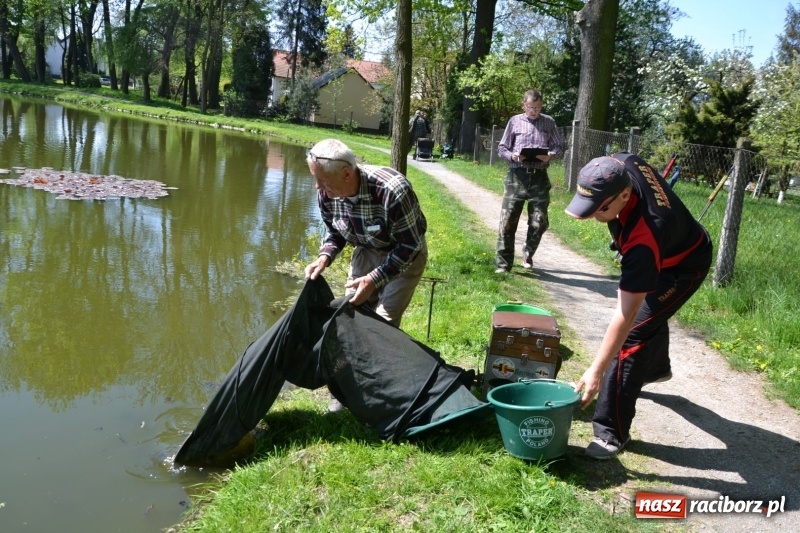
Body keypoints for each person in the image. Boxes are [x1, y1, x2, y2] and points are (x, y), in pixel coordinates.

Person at [565, 153, 713, 460]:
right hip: (667, 242)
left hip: (684, 266)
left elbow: (625, 314)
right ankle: (656, 369)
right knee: (648, 319)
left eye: (600, 209)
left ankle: (610, 432)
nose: (593, 216)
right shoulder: (618, 164)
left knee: (632, 336)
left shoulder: (644, 239)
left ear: (623, 195)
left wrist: (596, 370)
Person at [495, 90, 563, 273]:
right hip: (516, 176)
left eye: (538, 108)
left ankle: (528, 252)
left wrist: (551, 155)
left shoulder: (549, 122)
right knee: (507, 220)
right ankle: (503, 264)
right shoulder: (514, 121)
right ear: (523, 105)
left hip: (540, 177)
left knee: (539, 221)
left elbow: (558, 146)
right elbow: (501, 148)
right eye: (531, 107)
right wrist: (513, 156)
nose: (534, 111)